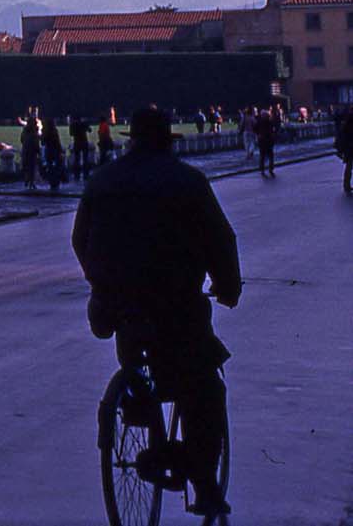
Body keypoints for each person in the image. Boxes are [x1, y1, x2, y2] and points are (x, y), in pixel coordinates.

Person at [72, 106, 240, 519]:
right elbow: (220, 240)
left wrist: (100, 282)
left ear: (132, 140)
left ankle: (138, 403)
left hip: (115, 306)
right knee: (205, 387)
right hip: (175, 305)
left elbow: (80, 239)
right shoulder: (188, 182)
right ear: (167, 142)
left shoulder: (102, 180)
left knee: (136, 355)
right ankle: (204, 483)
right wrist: (228, 287)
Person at [40, 115, 66, 193]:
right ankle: (56, 181)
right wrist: (60, 151)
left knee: (50, 167)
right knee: (56, 167)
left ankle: (52, 182)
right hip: (54, 150)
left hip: (48, 150)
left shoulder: (45, 131)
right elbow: (57, 142)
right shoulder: (54, 131)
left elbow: (42, 142)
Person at [253, 108, 278, 178]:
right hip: (268, 141)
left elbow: (254, 129)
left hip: (262, 141)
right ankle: (270, 169)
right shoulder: (269, 122)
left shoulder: (259, 122)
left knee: (263, 156)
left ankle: (263, 170)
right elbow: (273, 131)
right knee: (270, 156)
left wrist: (258, 134)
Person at [20, 112, 41, 187]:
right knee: (32, 166)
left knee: (26, 165)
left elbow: (22, 139)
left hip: (25, 149)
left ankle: (27, 179)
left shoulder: (25, 130)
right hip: (32, 150)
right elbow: (36, 142)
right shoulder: (34, 131)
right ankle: (31, 182)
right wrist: (38, 151)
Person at [337, 107, 353, 195]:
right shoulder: (349, 121)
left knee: (349, 167)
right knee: (349, 167)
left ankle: (346, 185)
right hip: (350, 147)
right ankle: (347, 185)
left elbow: (342, 134)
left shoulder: (347, 121)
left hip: (349, 148)